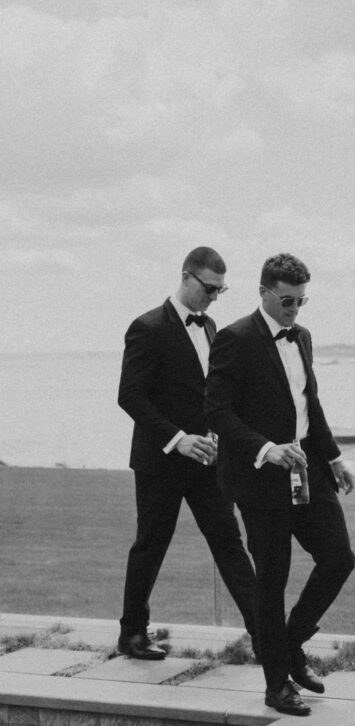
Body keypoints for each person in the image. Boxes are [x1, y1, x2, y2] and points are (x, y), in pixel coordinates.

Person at [205, 253, 355, 716]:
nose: (294, 310)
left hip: (308, 468)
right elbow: (217, 411)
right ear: (264, 293)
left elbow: (309, 403)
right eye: (287, 301)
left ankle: (291, 643)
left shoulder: (302, 337)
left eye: (301, 301)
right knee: (271, 581)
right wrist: (266, 449)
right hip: (258, 478)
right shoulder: (235, 339)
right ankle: (277, 685)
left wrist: (333, 457)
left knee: (339, 558)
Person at [117, 247, 257, 660]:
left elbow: (210, 395)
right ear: (185, 276)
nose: (213, 297)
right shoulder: (146, 327)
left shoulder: (211, 326)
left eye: (220, 290)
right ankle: (132, 634)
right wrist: (179, 439)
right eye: (209, 288)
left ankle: (266, 635)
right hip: (160, 460)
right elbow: (130, 396)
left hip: (207, 461)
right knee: (151, 545)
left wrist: (219, 437)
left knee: (229, 542)